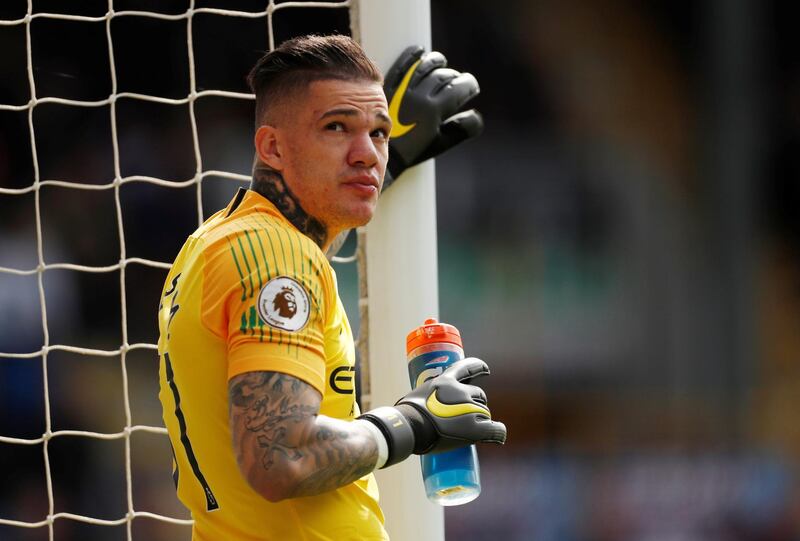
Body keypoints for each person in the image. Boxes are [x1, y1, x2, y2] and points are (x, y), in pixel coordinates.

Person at [157, 34, 506, 541]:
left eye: (379, 134)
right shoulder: (274, 256)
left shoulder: (219, 240)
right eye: (337, 127)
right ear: (272, 146)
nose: (368, 154)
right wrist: (413, 423)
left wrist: (388, 161)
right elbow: (281, 457)